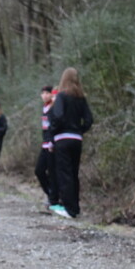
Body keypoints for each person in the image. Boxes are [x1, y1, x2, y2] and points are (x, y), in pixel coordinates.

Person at [49, 67, 93, 219]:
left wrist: (54, 131)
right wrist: (79, 131)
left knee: (64, 174)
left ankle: (69, 209)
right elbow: (89, 120)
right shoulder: (81, 98)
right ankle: (75, 207)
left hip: (63, 139)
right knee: (74, 173)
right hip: (77, 140)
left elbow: (58, 116)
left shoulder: (61, 96)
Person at [35, 86, 59, 208]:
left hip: (52, 145)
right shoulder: (44, 108)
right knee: (39, 171)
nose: (44, 95)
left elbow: (55, 127)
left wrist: (52, 142)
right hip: (44, 144)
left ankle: (54, 199)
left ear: (52, 95)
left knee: (52, 172)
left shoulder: (55, 108)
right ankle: (50, 194)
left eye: (47, 93)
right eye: (42, 93)